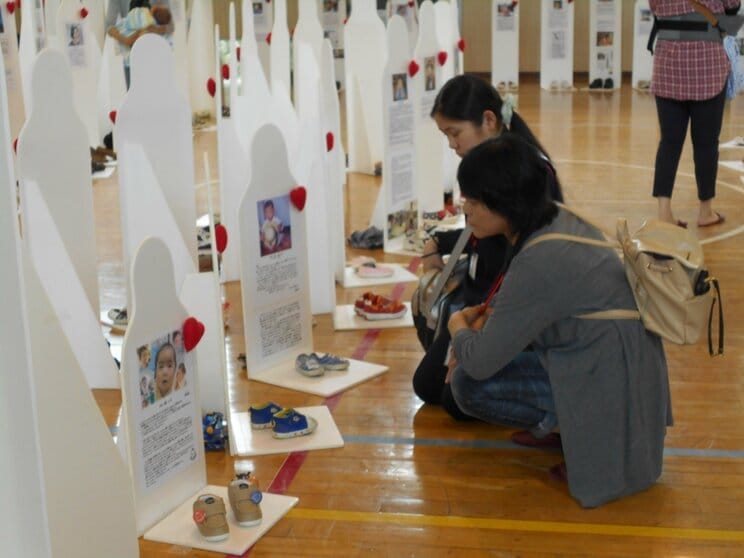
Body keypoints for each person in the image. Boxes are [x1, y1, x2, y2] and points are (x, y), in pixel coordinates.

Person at [446, 135, 671, 508]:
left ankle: (577, 431)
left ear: (503, 202)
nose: (465, 209)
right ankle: (564, 425)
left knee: (468, 384)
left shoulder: (540, 259)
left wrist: (458, 328)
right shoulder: (553, 217)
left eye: (471, 199)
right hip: (614, 362)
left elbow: (481, 361)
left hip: (609, 374)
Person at [412, 74, 563, 421]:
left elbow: (525, 262)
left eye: (454, 133)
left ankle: (553, 411)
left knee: (456, 398)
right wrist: (440, 241)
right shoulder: (489, 162)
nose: (451, 144)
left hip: (507, 307)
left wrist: (481, 325)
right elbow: (483, 229)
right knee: (427, 386)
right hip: (479, 298)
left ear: (489, 120)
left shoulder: (528, 171)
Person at [649, 0, 740, 227]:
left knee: (669, 143)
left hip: (668, 67)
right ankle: (705, 212)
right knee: (706, 145)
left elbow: (655, 7)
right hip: (707, 68)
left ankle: (664, 212)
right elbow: (733, 5)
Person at [106, 0, 173, 87]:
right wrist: (126, 40)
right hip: (131, 60)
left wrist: (153, 30)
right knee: (134, 94)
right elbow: (109, 26)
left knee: (156, 93)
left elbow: (171, 26)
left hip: (155, 58)